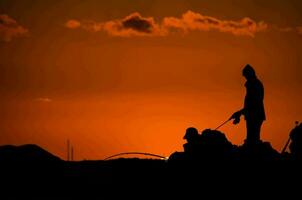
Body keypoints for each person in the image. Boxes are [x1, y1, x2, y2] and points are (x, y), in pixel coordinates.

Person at [231, 64, 266, 146]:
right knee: (252, 139)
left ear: (250, 74)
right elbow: (250, 105)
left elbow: (253, 104)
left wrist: (239, 113)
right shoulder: (254, 84)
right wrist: (240, 114)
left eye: (246, 76)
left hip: (255, 115)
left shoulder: (255, 85)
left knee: (252, 140)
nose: (245, 79)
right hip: (253, 115)